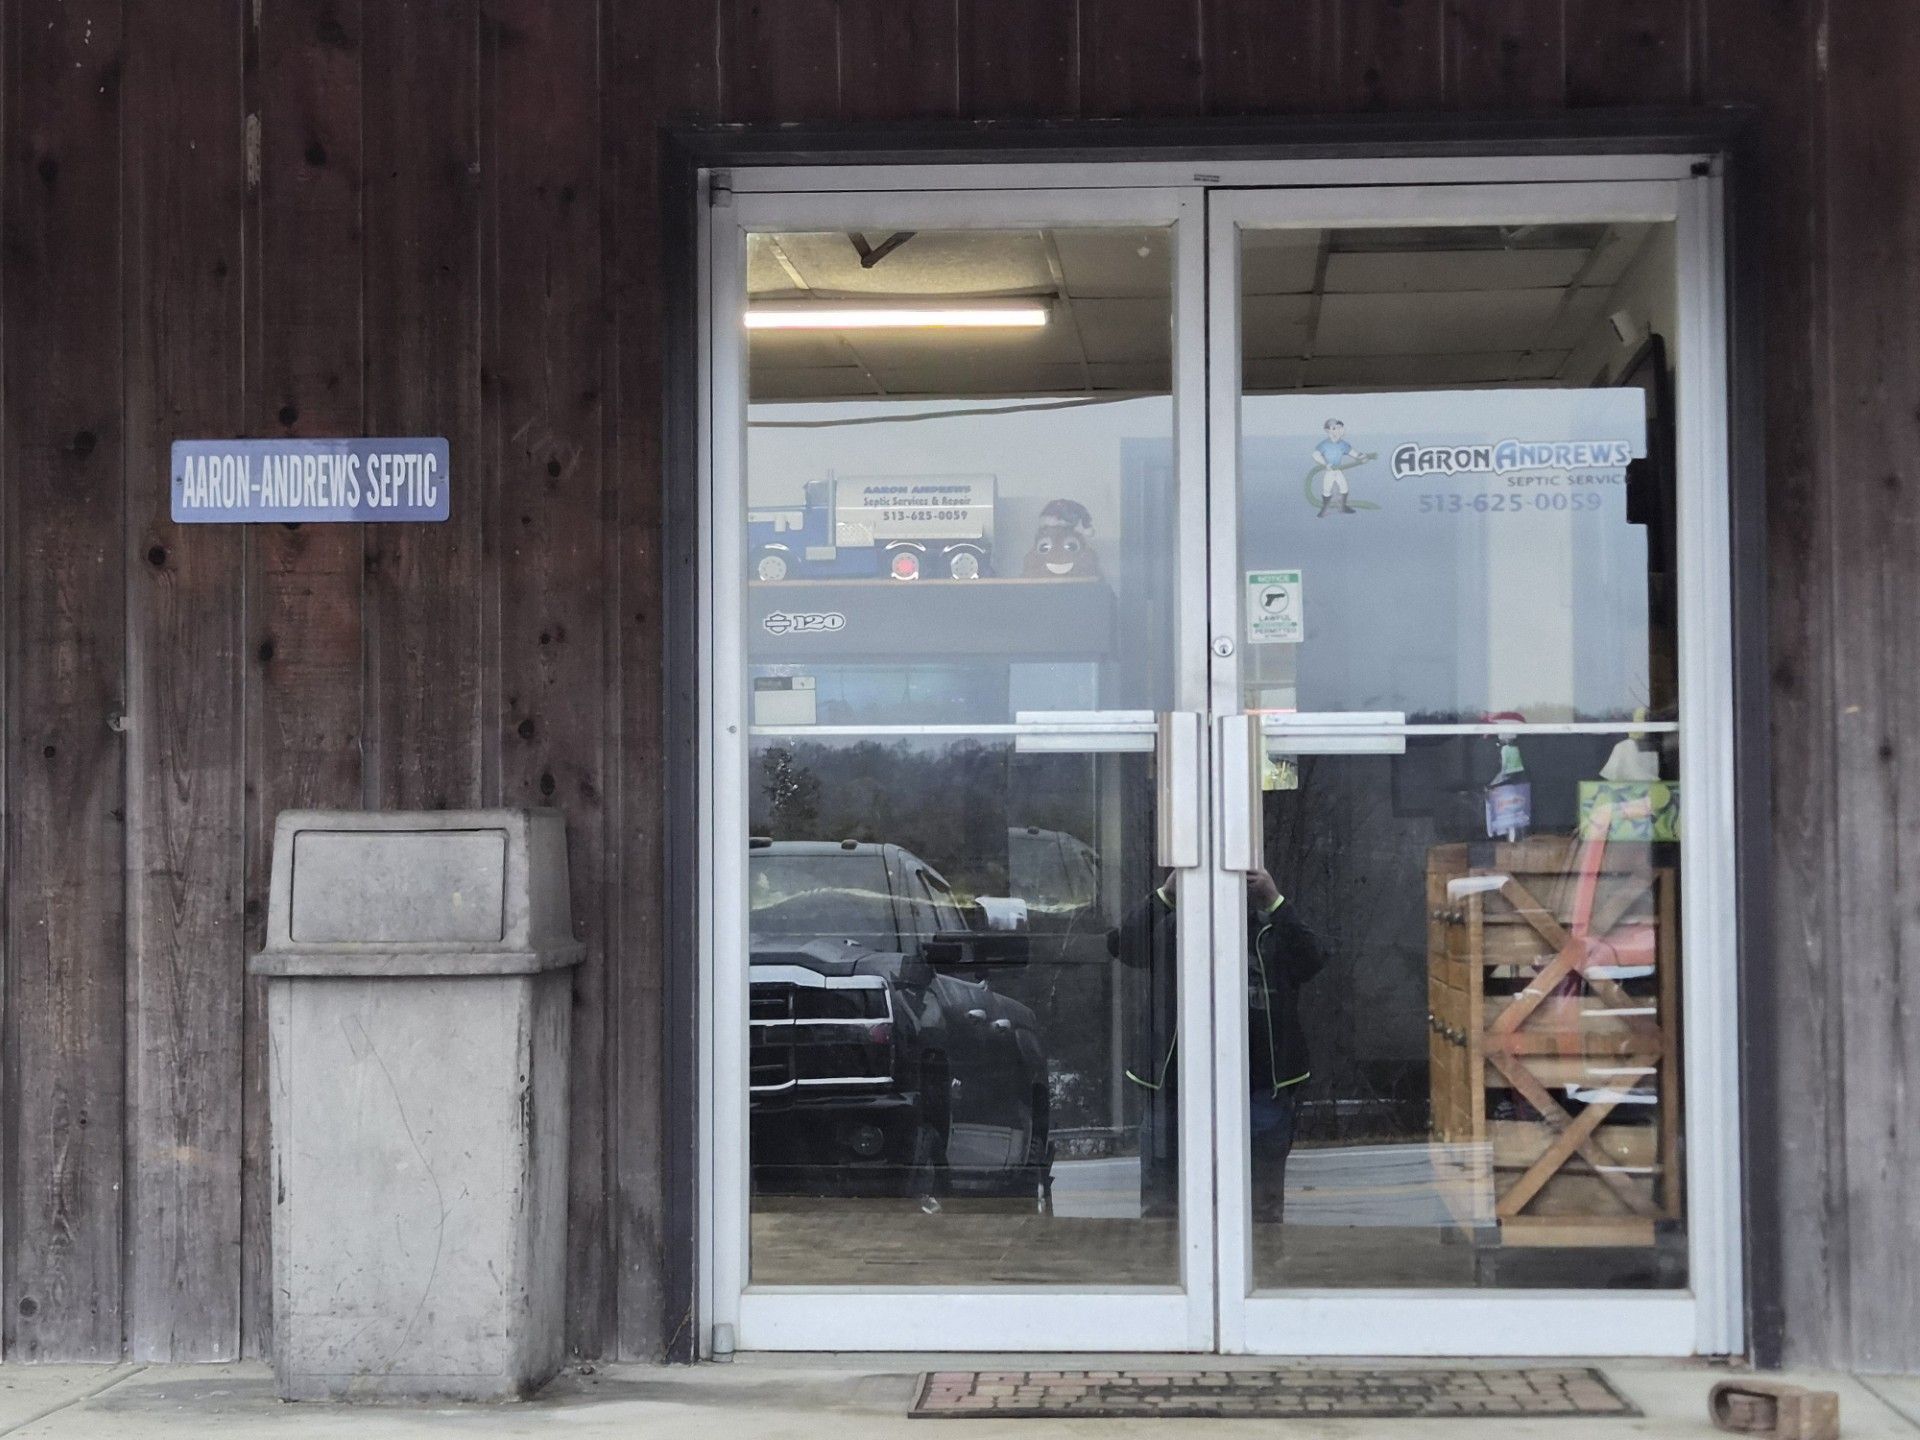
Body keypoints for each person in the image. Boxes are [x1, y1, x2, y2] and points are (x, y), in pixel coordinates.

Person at [1108, 868, 1325, 1221]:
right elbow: (1124, 945)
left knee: (1261, 1208)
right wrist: (1167, 895)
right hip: (1176, 1082)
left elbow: (1312, 958)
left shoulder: (1271, 931)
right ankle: (1167, 1265)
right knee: (1163, 1204)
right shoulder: (1175, 928)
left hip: (1258, 1081)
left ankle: (1260, 1267)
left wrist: (1274, 899)